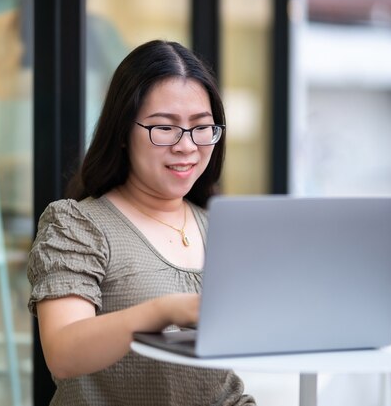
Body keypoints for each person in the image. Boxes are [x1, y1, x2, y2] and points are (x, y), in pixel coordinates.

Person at [27, 39, 256, 406]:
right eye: (165, 128)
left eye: (201, 127)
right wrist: (165, 311)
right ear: (121, 133)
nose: (187, 146)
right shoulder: (77, 225)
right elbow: (64, 353)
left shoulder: (221, 229)